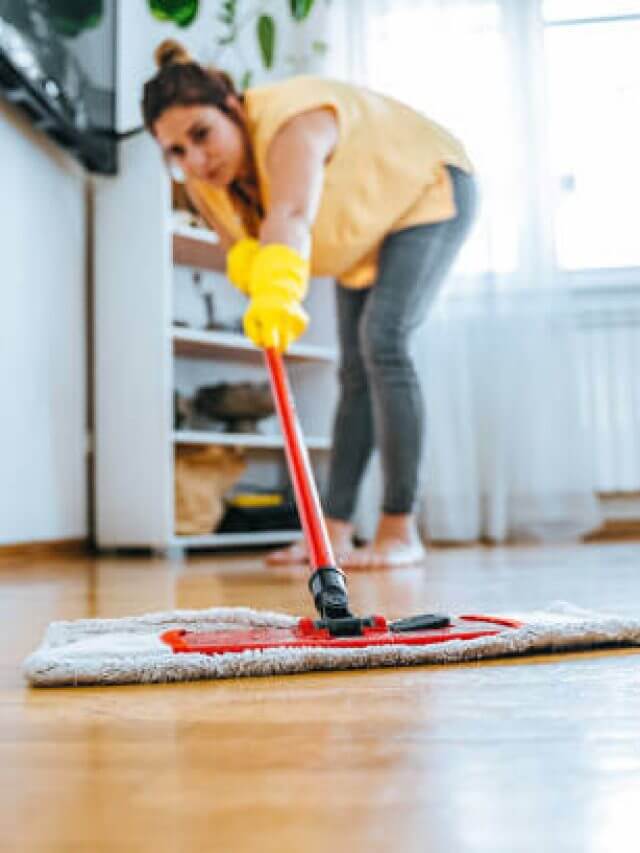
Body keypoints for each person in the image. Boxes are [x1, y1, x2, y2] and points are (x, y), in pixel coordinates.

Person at [142, 40, 477, 569]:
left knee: (383, 342)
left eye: (201, 134)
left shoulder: (291, 120)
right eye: (176, 151)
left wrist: (278, 295)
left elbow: (292, 213)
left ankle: (398, 529)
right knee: (354, 374)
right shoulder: (208, 186)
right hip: (362, 232)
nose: (195, 160)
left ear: (233, 106)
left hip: (425, 188)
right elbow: (242, 250)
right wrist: (259, 286)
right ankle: (333, 533)